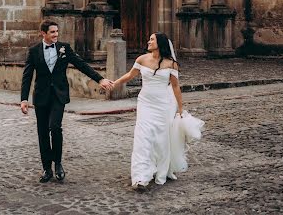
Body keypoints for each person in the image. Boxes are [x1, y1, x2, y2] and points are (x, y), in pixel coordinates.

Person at [20, 20, 113, 183]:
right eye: (52, 32)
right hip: (41, 96)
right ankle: (46, 168)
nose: (56, 34)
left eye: (57, 31)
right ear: (43, 33)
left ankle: (58, 163)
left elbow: (81, 65)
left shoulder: (64, 48)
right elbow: (27, 76)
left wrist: (100, 79)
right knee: (42, 132)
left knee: (55, 127)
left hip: (58, 95)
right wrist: (23, 99)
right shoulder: (34, 51)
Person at [112, 32, 203, 191]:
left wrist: (180, 109)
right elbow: (130, 75)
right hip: (145, 104)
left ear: (160, 43)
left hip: (163, 106)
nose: (148, 41)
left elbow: (175, 87)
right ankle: (141, 176)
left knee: (161, 140)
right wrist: (115, 83)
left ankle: (160, 168)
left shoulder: (171, 64)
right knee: (143, 138)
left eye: (152, 39)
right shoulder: (142, 59)